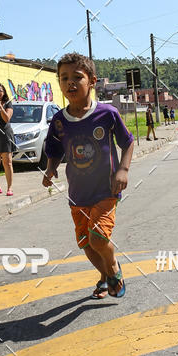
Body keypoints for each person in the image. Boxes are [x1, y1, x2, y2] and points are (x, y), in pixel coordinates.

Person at [42, 52, 133, 299]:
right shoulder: (59, 121)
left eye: (77, 77)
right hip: (77, 195)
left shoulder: (107, 113)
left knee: (97, 238)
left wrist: (123, 170)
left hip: (106, 190)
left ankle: (113, 268)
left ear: (92, 81)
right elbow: (54, 150)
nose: (70, 83)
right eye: (64, 78)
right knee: (85, 242)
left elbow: (128, 142)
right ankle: (104, 277)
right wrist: (51, 169)